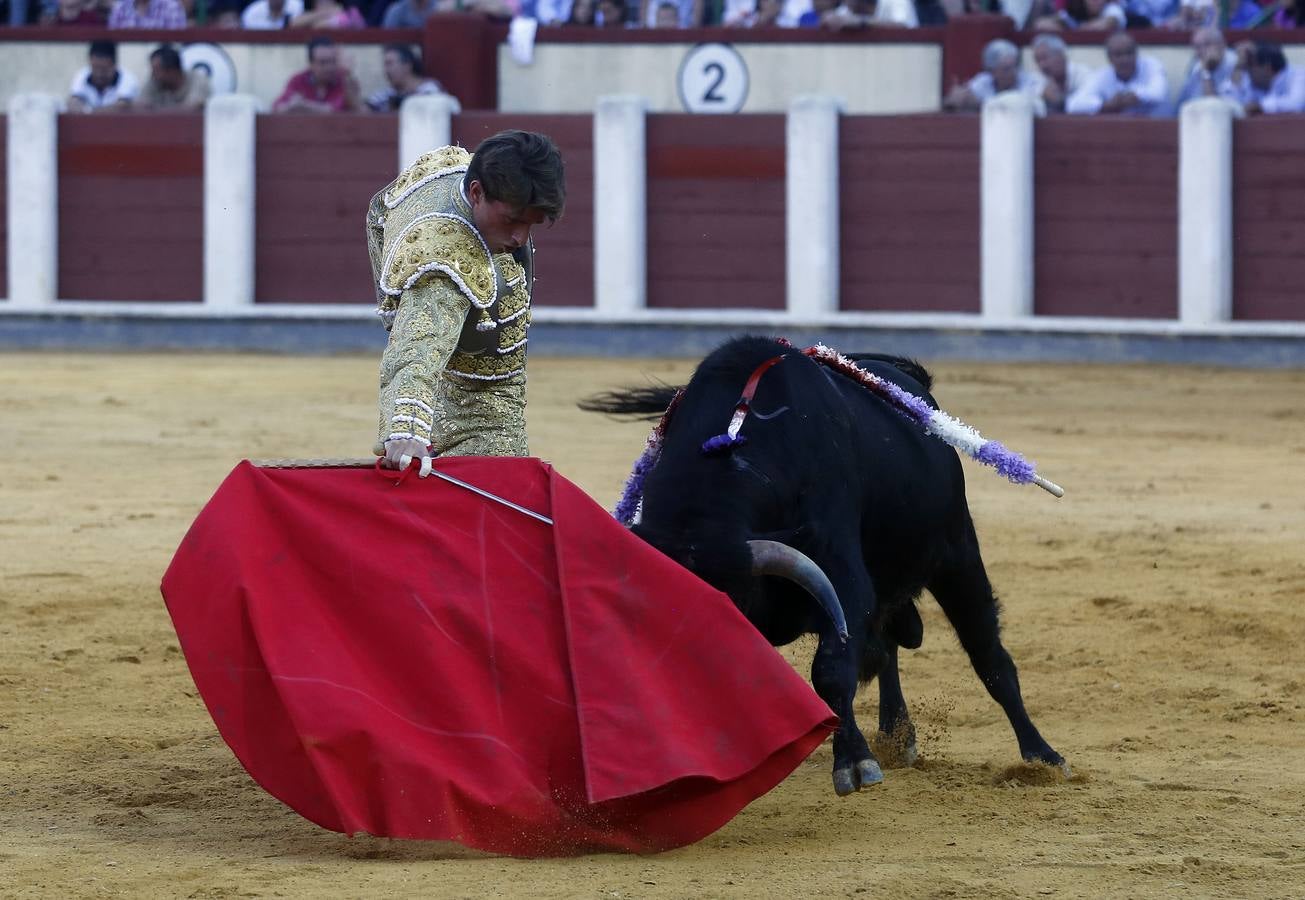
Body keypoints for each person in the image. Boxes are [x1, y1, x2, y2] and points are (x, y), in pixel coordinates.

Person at [369, 131, 566, 468]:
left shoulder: (451, 168)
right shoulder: (445, 260)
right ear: (476, 193)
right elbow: (418, 349)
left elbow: (380, 208)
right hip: (478, 419)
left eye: (531, 224)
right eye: (512, 220)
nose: (520, 237)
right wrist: (408, 427)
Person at [1067, 31, 1171, 117]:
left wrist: (1136, 96)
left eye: (1129, 53)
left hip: (1158, 129)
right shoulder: (1103, 75)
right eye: (1118, 55)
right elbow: (1072, 105)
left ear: (1137, 53)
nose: (1125, 59)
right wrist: (1106, 105)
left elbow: (1158, 93)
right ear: (1109, 58)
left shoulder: (1152, 65)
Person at [944, 38, 1045, 113]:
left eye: (1015, 66)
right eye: (1006, 69)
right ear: (991, 71)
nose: (1013, 72)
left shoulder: (1032, 81)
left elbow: (1022, 106)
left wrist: (979, 104)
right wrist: (958, 99)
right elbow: (956, 101)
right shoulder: (983, 81)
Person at [272, 36, 361, 113]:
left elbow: (335, 110)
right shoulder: (298, 80)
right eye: (323, 63)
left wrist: (303, 105)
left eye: (333, 62)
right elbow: (277, 107)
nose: (329, 67)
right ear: (311, 64)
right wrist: (290, 106)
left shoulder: (345, 79)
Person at [365, 44, 456, 111]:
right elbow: (365, 113)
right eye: (385, 65)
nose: (386, 70)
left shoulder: (429, 89)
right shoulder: (386, 94)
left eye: (390, 64)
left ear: (407, 65)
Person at [1231, 40, 1305, 115]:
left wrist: (1261, 106)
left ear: (1267, 68)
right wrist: (1237, 68)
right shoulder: (1254, 82)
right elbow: (1232, 101)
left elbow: (1296, 104)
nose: (1248, 71)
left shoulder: (1299, 75)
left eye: (1250, 66)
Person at [67, 39, 139, 113]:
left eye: (103, 69)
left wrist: (88, 111)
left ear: (114, 65)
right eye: (95, 68)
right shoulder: (82, 75)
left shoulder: (127, 79)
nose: (99, 74)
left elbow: (122, 107)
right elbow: (73, 103)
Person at [1174, 26, 1238, 109]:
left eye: (1207, 44)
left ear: (1222, 44)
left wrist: (1206, 71)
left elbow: (1214, 106)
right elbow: (1183, 104)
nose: (1200, 51)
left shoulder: (1234, 64)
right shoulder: (1196, 65)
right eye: (1197, 47)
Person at [136, 43, 211, 111]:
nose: (153, 75)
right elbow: (141, 105)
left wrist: (155, 109)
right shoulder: (154, 81)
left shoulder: (197, 80)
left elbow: (193, 108)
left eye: (157, 70)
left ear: (172, 71)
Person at [1031, 33, 1088, 113]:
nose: (1042, 65)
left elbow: (1088, 104)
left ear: (1061, 55)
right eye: (1038, 60)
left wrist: (1061, 101)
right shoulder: (1037, 78)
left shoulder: (1084, 74)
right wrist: (1042, 96)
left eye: (1045, 58)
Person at [106, 0, 186, 26]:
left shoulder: (171, 7)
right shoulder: (120, 7)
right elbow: (113, 40)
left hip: (163, 61)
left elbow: (175, 43)